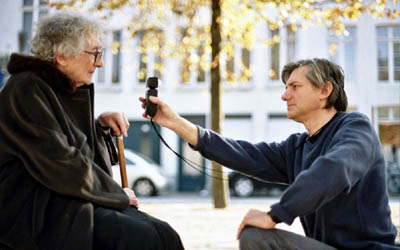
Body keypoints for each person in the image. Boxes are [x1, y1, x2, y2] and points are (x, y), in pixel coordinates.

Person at [140, 58, 398, 250]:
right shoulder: (296, 147)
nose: (285, 95)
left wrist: (275, 214)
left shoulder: (355, 127)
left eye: (295, 86)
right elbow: (243, 153)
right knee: (255, 235)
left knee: (257, 236)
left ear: (325, 91)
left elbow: (334, 168)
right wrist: (174, 122)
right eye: (286, 87)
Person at [0, 12, 184, 250]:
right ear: (63, 55)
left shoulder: (59, 89)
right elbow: (61, 162)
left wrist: (100, 127)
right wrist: (116, 194)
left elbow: (75, 151)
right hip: (33, 213)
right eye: (95, 54)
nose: (100, 63)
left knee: (163, 234)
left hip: (64, 202)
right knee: (144, 238)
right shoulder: (25, 88)